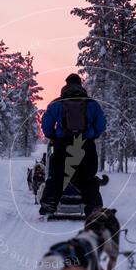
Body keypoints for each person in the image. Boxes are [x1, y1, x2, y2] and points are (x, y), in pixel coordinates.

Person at [39, 73, 106, 216]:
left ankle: (49, 203)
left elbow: (46, 123)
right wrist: (93, 135)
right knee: (87, 176)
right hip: (85, 144)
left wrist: (52, 136)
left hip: (62, 145)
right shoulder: (92, 104)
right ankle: (94, 205)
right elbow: (101, 124)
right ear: (80, 85)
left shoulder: (56, 103)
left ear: (66, 84)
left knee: (57, 174)